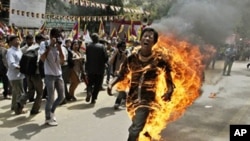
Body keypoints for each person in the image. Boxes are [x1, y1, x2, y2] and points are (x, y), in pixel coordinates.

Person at [107, 27, 175, 141]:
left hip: (148, 101)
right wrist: (111, 84)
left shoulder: (159, 60)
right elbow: (122, 74)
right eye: (145, 36)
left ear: (154, 42)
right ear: (140, 39)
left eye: (150, 37)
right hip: (132, 100)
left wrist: (169, 91)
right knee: (142, 127)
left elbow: (169, 79)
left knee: (135, 129)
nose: (147, 38)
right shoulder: (132, 58)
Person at [39, 28, 65, 126]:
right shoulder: (44, 44)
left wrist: (59, 49)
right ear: (51, 36)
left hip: (59, 74)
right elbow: (42, 59)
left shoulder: (60, 45)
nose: (59, 39)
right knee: (51, 97)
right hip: (49, 75)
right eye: (58, 36)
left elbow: (62, 61)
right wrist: (50, 46)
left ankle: (52, 112)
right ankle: (47, 118)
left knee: (62, 96)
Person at [18, 34, 45, 115]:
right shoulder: (39, 49)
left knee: (30, 91)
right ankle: (35, 110)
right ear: (39, 41)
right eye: (43, 40)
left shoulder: (30, 48)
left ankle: (21, 100)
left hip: (28, 74)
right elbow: (38, 63)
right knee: (40, 93)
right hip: (36, 74)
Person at [85, 33, 108, 104]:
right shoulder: (102, 46)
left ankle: (89, 92)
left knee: (90, 83)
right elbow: (105, 58)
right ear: (98, 38)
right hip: (99, 69)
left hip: (90, 68)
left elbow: (87, 57)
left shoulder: (88, 46)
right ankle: (93, 98)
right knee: (97, 85)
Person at [6, 35, 25, 114]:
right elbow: (12, 64)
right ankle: (18, 110)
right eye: (16, 40)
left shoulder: (19, 50)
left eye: (18, 39)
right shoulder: (10, 51)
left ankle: (14, 106)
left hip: (20, 75)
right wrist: (22, 68)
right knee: (20, 93)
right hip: (15, 76)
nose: (18, 41)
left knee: (15, 92)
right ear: (10, 42)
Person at [108, 41, 128, 109]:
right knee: (121, 89)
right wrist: (115, 53)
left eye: (124, 47)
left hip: (124, 74)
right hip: (116, 74)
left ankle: (117, 103)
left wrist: (124, 55)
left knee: (121, 88)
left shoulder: (127, 53)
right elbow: (110, 62)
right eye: (122, 47)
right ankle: (125, 98)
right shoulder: (115, 53)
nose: (123, 48)